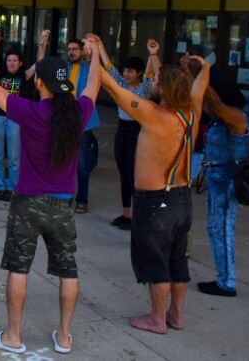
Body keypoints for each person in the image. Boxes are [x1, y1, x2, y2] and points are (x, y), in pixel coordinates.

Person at [0, 33, 101, 355]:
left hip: (27, 203)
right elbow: (94, 85)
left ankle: (13, 336)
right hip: (63, 204)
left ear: (39, 82)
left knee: (19, 268)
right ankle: (64, 337)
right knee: (68, 269)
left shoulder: (30, 111)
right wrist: (95, 55)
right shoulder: (78, 112)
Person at [100, 54, 209, 334]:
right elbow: (200, 86)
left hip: (154, 201)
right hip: (182, 198)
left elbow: (116, 90)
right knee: (176, 260)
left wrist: (95, 66)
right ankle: (176, 315)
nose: (153, 82)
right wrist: (204, 68)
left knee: (155, 261)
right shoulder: (193, 111)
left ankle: (157, 318)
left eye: (157, 80)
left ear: (165, 88)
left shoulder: (153, 114)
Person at [183, 63, 249, 298]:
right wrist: (194, 74)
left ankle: (226, 282)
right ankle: (224, 279)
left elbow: (214, 102)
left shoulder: (236, 116)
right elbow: (202, 99)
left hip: (226, 180)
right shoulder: (222, 117)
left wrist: (205, 72)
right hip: (218, 178)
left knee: (221, 229)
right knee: (216, 228)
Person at [98, 38, 162, 229]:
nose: (126, 74)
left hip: (137, 130)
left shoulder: (144, 88)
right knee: (124, 175)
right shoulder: (121, 84)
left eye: (130, 71)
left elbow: (152, 73)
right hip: (121, 130)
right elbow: (109, 67)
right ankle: (126, 214)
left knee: (135, 175)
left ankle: (137, 216)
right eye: (125, 70)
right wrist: (99, 45)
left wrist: (152, 53)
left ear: (139, 73)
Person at [38, 31, 100, 213]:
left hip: (83, 123)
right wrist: (42, 44)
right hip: (61, 120)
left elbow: (97, 74)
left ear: (82, 51)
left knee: (81, 164)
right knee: (60, 159)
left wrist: (94, 50)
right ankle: (60, 196)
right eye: (69, 49)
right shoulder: (62, 68)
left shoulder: (89, 69)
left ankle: (82, 200)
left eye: (75, 49)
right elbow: (42, 67)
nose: (71, 52)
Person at [0, 31, 37, 201]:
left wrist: (43, 43)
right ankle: (1, 186)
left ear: (20, 62)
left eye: (15, 60)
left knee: (14, 156)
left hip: (16, 119)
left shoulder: (24, 76)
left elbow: (39, 63)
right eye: (9, 60)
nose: (12, 63)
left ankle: (13, 187)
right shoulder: (0, 74)